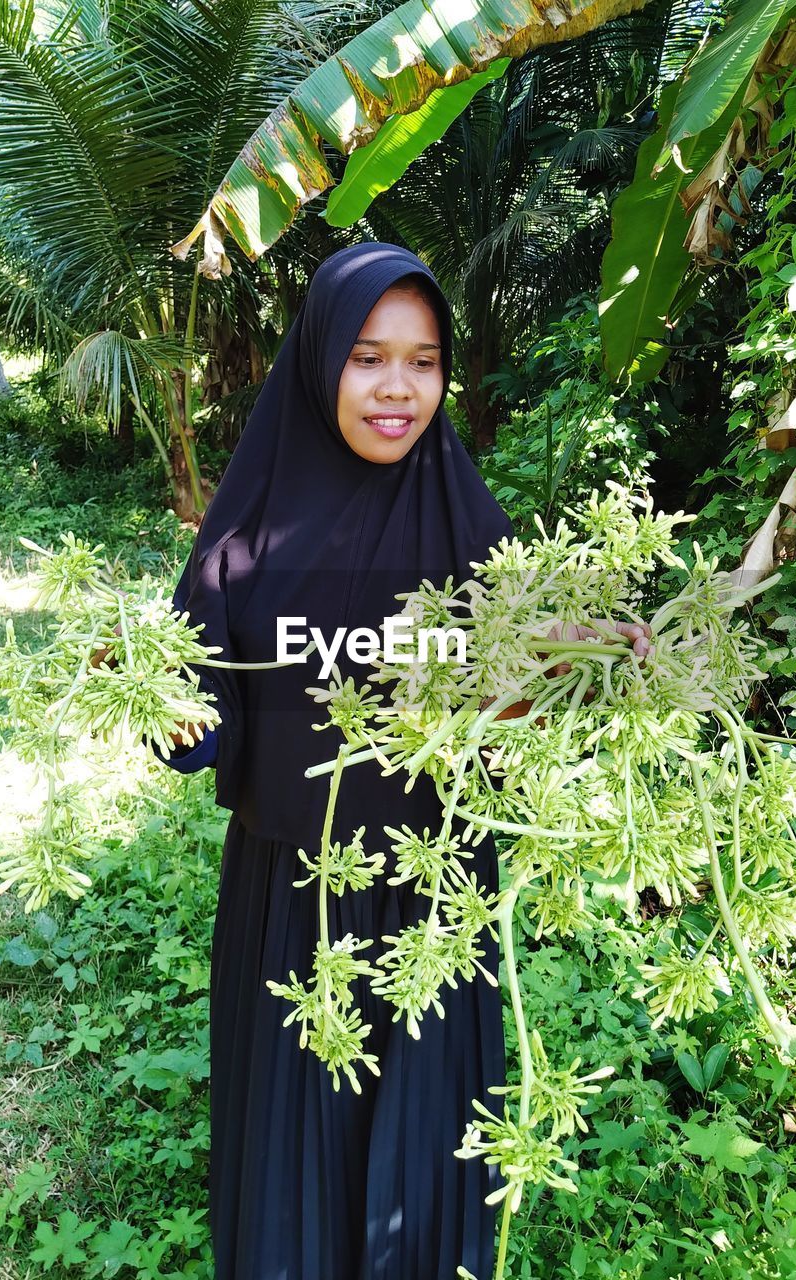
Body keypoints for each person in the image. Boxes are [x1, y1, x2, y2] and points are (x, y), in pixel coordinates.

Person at [154, 242, 651, 1279]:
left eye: (423, 361)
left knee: (423, 1189)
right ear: (319, 361)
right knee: (296, 1192)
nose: (397, 388)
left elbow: (511, 721)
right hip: (299, 904)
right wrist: (157, 705)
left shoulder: (471, 529)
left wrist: (585, 665)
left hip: (440, 903)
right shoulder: (244, 541)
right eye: (369, 356)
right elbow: (206, 726)